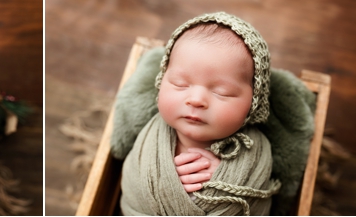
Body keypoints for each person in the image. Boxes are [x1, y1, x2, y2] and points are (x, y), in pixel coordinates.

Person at [120, 12, 282, 216]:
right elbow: (132, 185)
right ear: (162, 81)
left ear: (254, 102)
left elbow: (257, 203)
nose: (196, 99)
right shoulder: (149, 140)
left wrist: (228, 179)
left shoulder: (255, 152)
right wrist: (165, 180)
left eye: (222, 92)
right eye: (180, 84)